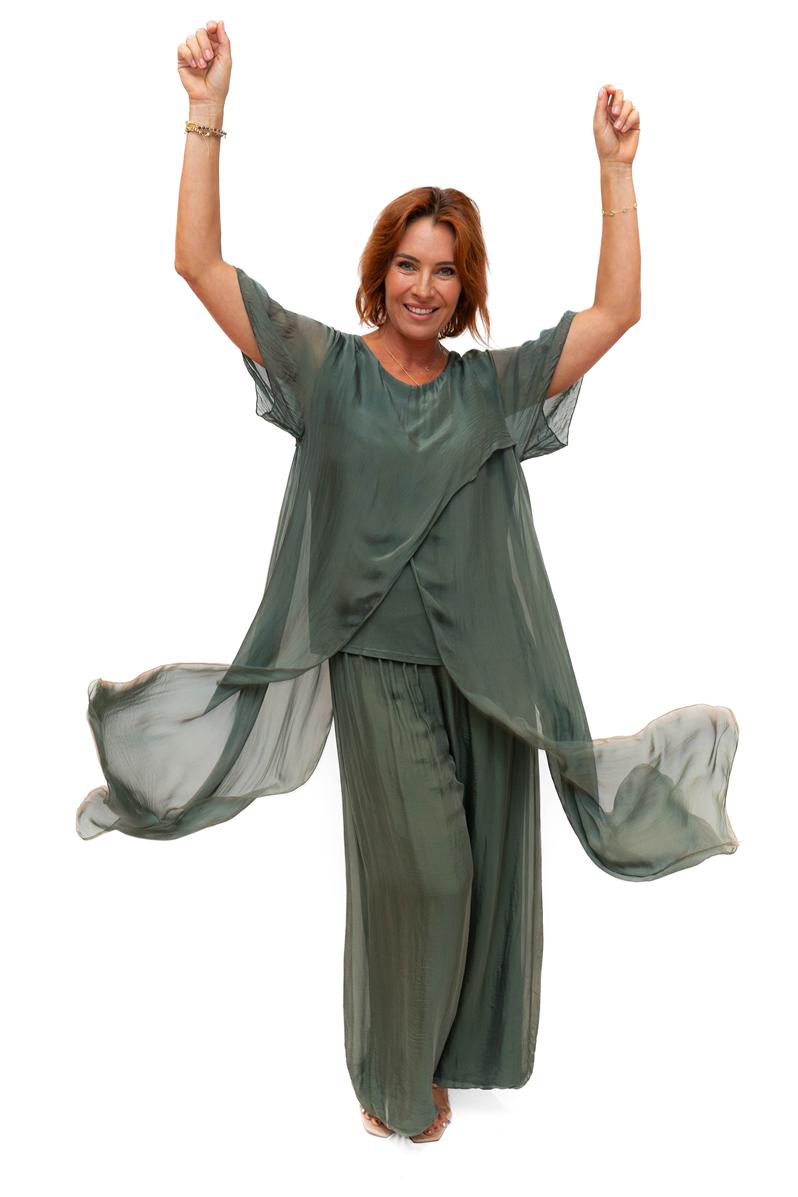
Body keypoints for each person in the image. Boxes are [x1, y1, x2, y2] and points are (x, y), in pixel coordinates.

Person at [76, 20, 740, 1144]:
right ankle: (392, 1082)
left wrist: (616, 173)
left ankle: (449, 1053)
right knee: (423, 878)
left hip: (488, 677)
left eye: (445, 269)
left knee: (486, 877)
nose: (423, 287)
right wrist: (205, 113)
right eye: (407, 264)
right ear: (379, 270)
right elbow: (198, 266)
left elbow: (617, 312)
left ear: (465, 285)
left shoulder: (491, 390)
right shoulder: (325, 370)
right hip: (378, 671)